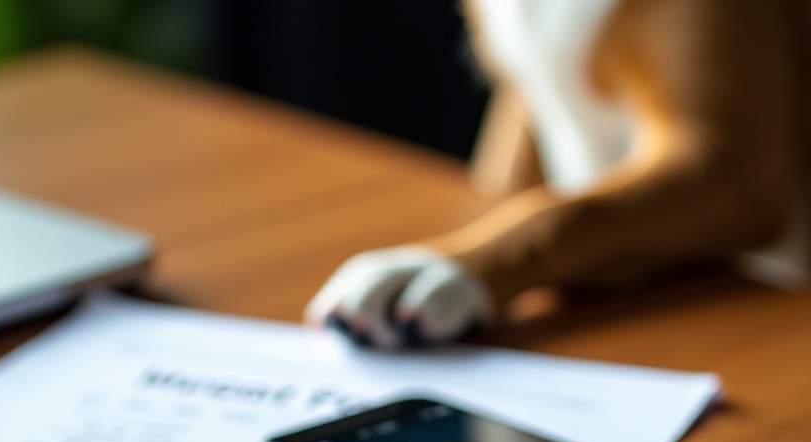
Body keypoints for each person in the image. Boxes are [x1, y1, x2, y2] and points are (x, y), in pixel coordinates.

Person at [305, 0, 811, 349]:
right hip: (615, 287)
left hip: (764, 308)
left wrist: (495, 260)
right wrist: (469, 238)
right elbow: (537, 82)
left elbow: (730, 181)